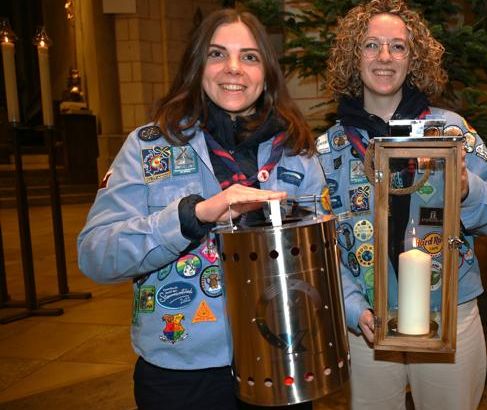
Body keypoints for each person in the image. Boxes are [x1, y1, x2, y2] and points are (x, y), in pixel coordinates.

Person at [77, 7, 323, 410]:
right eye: (217, 54)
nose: (233, 68)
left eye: (249, 56)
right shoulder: (148, 147)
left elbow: (323, 258)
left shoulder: (296, 152)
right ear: (197, 65)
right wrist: (192, 217)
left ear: (266, 73)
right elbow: (96, 255)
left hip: (283, 359)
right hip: (183, 374)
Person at [316, 0, 487, 409]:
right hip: (367, 321)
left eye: (398, 46)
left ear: (413, 58)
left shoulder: (452, 132)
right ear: (354, 56)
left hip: (449, 313)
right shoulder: (329, 148)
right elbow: (324, 245)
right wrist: (352, 308)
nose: (385, 57)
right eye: (371, 45)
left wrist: (466, 190)